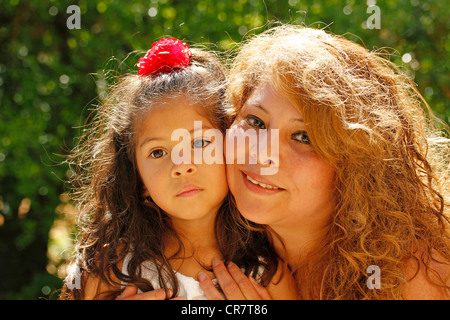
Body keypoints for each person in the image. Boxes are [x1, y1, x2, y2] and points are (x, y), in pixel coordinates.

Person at [198, 25, 450, 299]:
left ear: (356, 165)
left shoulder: (417, 274)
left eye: (303, 137)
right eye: (255, 121)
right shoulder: (196, 242)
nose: (262, 153)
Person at [59, 38, 297, 300]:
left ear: (231, 145)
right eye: (158, 152)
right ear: (138, 177)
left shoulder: (267, 276)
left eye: (199, 142)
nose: (181, 165)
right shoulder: (110, 272)